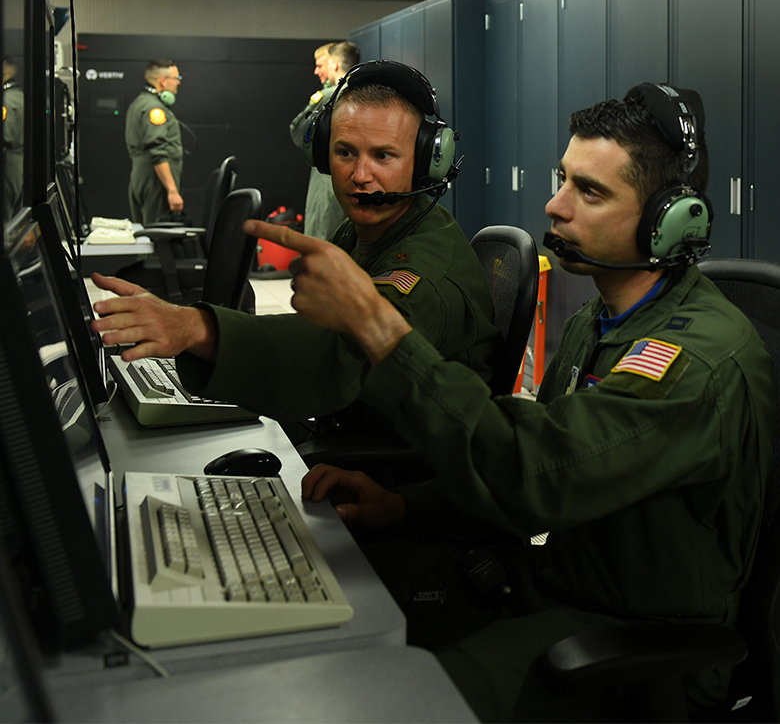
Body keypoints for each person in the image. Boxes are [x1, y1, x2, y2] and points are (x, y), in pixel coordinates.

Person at [243, 84, 778, 721]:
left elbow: (534, 472)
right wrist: (403, 504)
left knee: (395, 702)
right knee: (335, 600)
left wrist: (380, 329)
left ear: (670, 223)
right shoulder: (597, 323)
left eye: (591, 191)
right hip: (548, 585)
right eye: (563, 179)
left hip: (628, 648)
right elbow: (526, 457)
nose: (555, 206)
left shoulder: (696, 361)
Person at [92, 60, 499, 438]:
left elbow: (339, 358)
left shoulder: (423, 270)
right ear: (321, 153)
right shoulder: (362, 233)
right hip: (352, 428)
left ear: (429, 161)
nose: (360, 175)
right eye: (344, 152)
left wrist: (197, 329)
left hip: (402, 475)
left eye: (383, 156)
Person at [289, 41, 361, 240]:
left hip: (328, 182)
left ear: (334, 64)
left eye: (321, 65)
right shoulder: (367, 94)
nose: (317, 71)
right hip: (359, 182)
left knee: (321, 242)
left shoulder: (328, 96)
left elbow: (297, 133)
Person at [125, 59, 184, 225]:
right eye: (176, 78)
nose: (178, 83)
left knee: (144, 236)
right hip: (156, 181)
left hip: (140, 178)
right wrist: (172, 190)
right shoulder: (154, 109)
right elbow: (157, 150)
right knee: (157, 239)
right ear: (163, 81)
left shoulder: (138, 104)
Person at [2, 58, 24, 223]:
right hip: (22, 161)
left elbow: (7, 136)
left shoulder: (7, 99)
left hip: (9, 160)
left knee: (6, 215)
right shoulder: (21, 95)